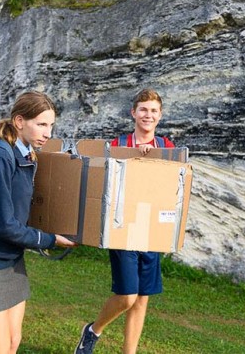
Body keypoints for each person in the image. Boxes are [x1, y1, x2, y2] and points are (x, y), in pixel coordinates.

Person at [0, 91, 76, 354]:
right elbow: (2, 223)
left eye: (51, 125)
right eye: (41, 124)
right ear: (20, 121)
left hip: (10, 259)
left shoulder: (26, 153)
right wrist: (48, 240)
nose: (48, 132)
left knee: (11, 344)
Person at [75, 88, 175, 354]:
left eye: (153, 111)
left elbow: (173, 189)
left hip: (151, 230)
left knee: (142, 300)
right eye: (143, 110)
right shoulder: (118, 145)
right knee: (127, 296)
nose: (148, 115)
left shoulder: (167, 148)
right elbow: (105, 185)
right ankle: (93, 330)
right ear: (133, 112)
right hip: (122, 227)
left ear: (160, 115)